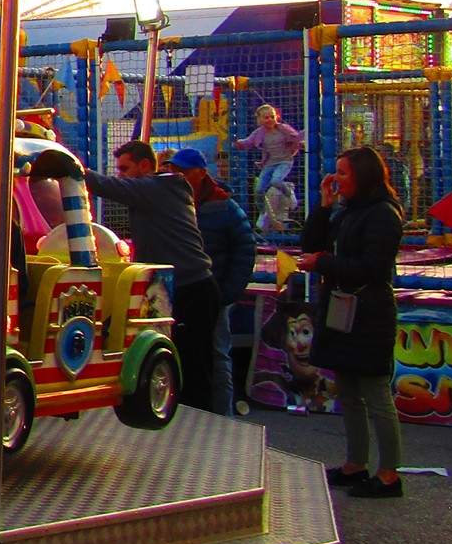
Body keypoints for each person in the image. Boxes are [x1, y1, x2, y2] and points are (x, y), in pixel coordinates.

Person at [298, 145, 407, 499]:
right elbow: (312, 243)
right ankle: (355, 463)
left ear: (363, 175)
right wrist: (324, 206)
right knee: (347, 388)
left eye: (343, 173)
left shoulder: (383, 214)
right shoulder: (347, 211)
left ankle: (390, 473)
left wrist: (324, 265)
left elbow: (373, 266)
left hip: (369, 310)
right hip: (342, 307)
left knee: (375, 392)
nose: (336, 179)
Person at [87, 139, 224, 412]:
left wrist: (70, 165)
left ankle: (200, 419)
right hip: (177, 285)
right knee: (180, 360)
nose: (121, 175)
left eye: (126, 169)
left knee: (194, 365)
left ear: (145, 166)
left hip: (190, 287)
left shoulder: (156, 187)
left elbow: (107, 186)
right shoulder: (158, 190)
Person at [171, 147, 256, 417]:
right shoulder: (173, 201)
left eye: (183, 171)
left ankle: (224, 417)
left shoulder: (224, 207)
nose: (177, 175)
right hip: (182, 292)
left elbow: (245, 250)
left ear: (201, 174)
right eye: (175, 170)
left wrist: (226, 293)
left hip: (213, 292)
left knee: (218, 356)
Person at [238, 104, 304, 209]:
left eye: (272, 117)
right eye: (266, 117)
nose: (270, 120)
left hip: (285, 161)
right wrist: (240, 142)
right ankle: (263, 212)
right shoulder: (259, 133)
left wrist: (300, 143)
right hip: (270, 163)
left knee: (276, 181)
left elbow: (296, 137)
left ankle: (290, 194)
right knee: (259, 190)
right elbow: (248, 141)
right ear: (259, 119)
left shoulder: (283, 128)